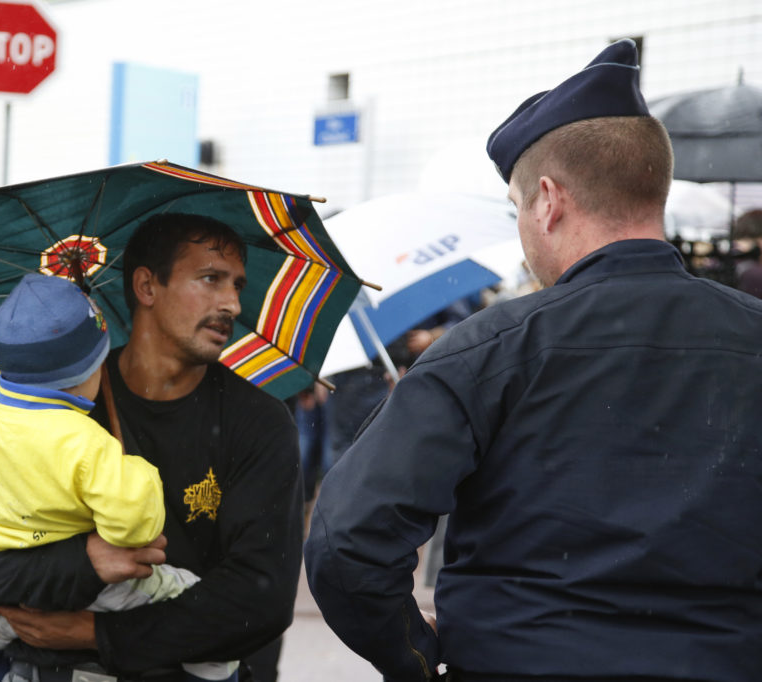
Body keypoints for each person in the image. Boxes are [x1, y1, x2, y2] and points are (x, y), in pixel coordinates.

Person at [304, 38, 762, 682]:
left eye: (517, 209)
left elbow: (345, 542)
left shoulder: (486, 350)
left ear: (548, 199)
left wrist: (413, 657)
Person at [0, 213, 302, 682]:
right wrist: (83, 563)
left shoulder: (261, 423)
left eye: (237, 285)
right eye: (211, 279)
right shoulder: (54, 403)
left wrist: (97, 632)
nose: (232, 302)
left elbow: (259, 602)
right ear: (147, 287)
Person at [0, 273, 237, 682]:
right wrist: (136, 471)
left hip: (7, 573)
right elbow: (133, 528)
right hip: (98, 592)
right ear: (84, 374)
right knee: (201, 606)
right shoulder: (88, 444)